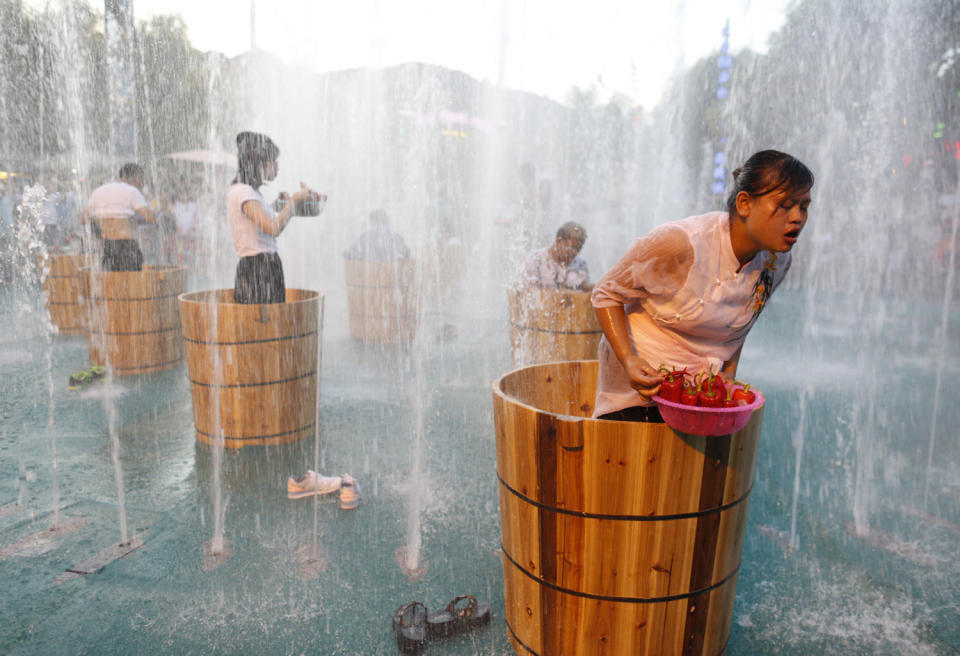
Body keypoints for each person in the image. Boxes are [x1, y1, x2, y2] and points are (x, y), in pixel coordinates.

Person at [591, 149, 813, 421]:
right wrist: (629, 360)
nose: (797, 218)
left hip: (701, 396)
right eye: (785, 205)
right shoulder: (681, 243)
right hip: (640, 389)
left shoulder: (777, 262)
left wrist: (727, 381)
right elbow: (606, 293)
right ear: (744, 203)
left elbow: (739, 328)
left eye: (804, 206)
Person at [227, 131, 320, 304]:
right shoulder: (243, 191)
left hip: (262, 267)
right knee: (264, 325)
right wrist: (293, 201)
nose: (277, 167)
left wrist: (280, 205)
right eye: (274, 161)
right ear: (260, 162)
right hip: (259, 270)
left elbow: (254, 225)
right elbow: (273, 228)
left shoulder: (248, 191)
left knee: (268, 324)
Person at [82, 163, 157, 271]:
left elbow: (84, 219)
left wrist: (103, 221)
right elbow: (151, 218)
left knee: (111, 284)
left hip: (108, 247)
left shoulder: (99, 191)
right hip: (127, 247)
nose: (142, 184)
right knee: (132, 284)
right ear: (136, 177)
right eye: (142, 180)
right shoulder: (132, 191)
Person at [523, 221, 592, 292]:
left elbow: (587, 292)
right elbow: (532, 292)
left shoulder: (580, 264)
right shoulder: (536, 260)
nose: (575, 253)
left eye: (578, 249)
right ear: (559, 241)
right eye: (572, 247)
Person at [343, 209, 410, 262]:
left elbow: (350, 254)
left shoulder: (365, 236)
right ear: (386, 220)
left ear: (372, 220)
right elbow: (406, 252)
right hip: (389, 274)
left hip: (370, 275)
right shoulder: (395, 235)